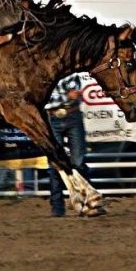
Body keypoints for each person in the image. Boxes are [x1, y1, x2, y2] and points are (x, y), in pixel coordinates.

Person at [44, 74, 102, 217]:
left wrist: (63, 98)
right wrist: (67, 97)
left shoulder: (70, 74)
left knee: (78, 161)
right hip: (56, 117)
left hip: (70, 116)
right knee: (55, 164)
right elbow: (47, 102)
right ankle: (59, 207)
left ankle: (87, 203)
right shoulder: (45, 74)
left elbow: (73, 94)